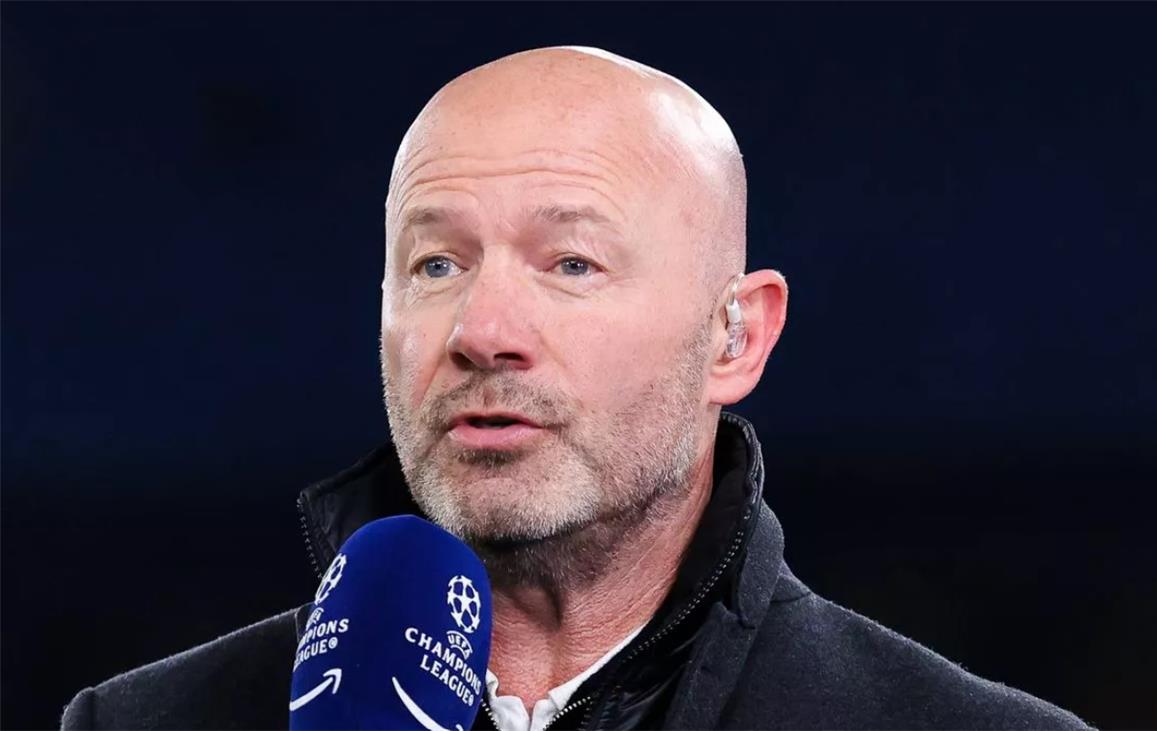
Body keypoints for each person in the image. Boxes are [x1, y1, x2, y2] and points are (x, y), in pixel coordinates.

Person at [62, 47, 1092, 730]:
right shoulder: (147, 722)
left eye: (571, 264)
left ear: (735, 336)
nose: (482, 332)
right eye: (436, 264)